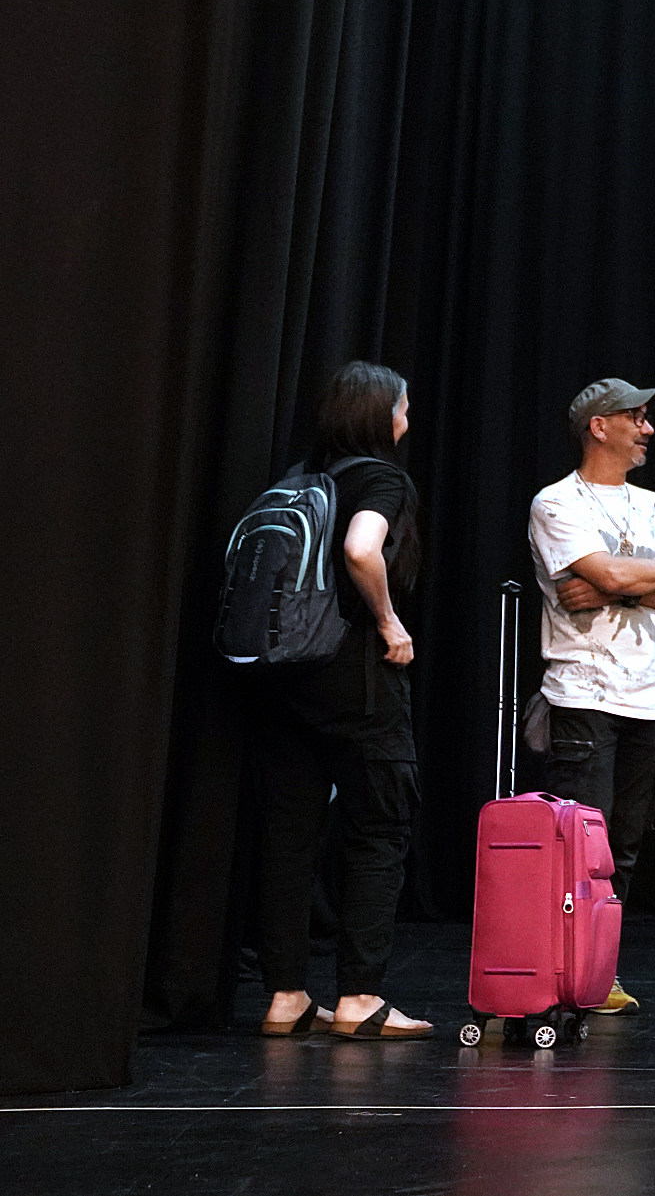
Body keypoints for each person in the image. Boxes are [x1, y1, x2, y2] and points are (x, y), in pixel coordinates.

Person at [251, 361, 431, 1040]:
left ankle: (285, 995)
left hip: (280, 678)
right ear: (381, 415)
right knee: (379, 828)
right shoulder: (379, 477)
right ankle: (359, 997)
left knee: (288, 838)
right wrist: (388, 620)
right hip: (353, 676)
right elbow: (362, 548)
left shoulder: (296, 478)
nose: (407, 420)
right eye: (403, 407)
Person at [530, 378, 655, 1016]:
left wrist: (620, 586)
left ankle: (597, 975)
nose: (648, 428)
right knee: (579, 845)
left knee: (621, 849)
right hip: (584, 692)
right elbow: (617, 573)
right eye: (635, 417)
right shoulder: (556, 502)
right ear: (598, 426)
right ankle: (561, 977)